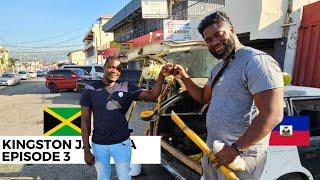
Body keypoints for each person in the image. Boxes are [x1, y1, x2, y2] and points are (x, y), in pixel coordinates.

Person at [164, 11, 284, 179]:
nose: (215, 43)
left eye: (218, 35)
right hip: (214, 151)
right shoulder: (219, 68)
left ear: (232, 30)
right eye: (209, 40)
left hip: (240, 156)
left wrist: (236, 148)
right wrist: (184, 77)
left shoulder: (256, 62)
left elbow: (272, 114)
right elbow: (203, 97)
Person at [80, 56, 168, 180]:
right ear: (103, 68)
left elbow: (152, 95)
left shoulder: (126, 87)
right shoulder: (90, 89)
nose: (114, 70)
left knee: (125, 177)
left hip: (121, 143)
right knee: (102, 177)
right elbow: (85, 121)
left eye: (118, 69)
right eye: (111, 67)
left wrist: (161, 76)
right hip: (99, 144)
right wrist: (86, 149)